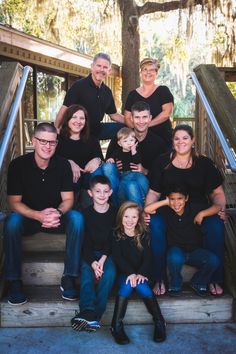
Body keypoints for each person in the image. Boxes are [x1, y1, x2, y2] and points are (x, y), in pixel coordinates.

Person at [3, 123, 84, 305]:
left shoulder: (63, 165)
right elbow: (14, 202)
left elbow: (68, 199)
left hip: (56, 217)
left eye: (52, 143)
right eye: (43, 141)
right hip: (29, 218)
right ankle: (14, 280)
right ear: (34, 141)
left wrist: (58, 211)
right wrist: (38, 215)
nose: (48, 146)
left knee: (77, 218)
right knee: (12, 222)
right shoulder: (18, 165)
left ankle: (69, 276)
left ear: (57, 143)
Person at [145, 124, 226, 296]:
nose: (180, 142)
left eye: (185, 138)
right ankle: (159, 277)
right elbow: (153, 192)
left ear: (193, 140)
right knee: (155, 225)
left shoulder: (204, 163)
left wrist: (220, 209)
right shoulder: (162, 162)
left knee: (216, 225)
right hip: (169, 207)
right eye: (176, 138)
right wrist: (147, 212)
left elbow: (217, 193)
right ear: (172, 141)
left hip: (199, 210)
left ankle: (214, 278)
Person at [145, 185, 220, 296]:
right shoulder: (166, 210)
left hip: (195, 251)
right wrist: (166, 202)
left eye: (179, 198)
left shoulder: (195, 208)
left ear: (186, 198)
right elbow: (147, 209)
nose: (176, 203)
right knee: (174, 257)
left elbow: (217, 206)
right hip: (176, 251)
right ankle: (175, 284)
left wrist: (202, 214)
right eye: (172, 199)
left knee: (213, 260)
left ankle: (198, 282)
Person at [111, 201, 166, 345]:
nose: (130, 221)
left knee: (142, 286)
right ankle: (116, 326)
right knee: (127, 286)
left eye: (134, 217)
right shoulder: (116, 234)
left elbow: (148, 257)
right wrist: (131, 273)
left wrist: (141, 273)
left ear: (139, 218)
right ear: (120, 217)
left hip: (141, 273)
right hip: (124, 273)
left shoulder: (144, 233)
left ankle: (159, 322)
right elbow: (118, 258)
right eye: (126, 216)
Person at [71, 175, 116, 332]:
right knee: (86, 273)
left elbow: (114, 240)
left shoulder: (116, 213)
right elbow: (86, 242)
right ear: (90, 193)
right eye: (98, 191)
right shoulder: (85, 214)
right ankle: (88, 310)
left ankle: (93, 315)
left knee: (109, 274)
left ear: (111, 192)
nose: (102, 195)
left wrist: (103, 259)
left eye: (105, 191)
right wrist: (92, 262)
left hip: (109, 254)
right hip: (90, 253)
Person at [103, 101, 166, 207]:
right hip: (121, 180)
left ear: (150, 118)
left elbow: (161, 173)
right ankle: (115, 204)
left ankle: (139, 214)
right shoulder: (121, 137)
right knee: (108, 167)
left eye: (144, 117)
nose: (141, 121)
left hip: (142, 184)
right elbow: (109, 159)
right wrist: (114, 163)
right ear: (131, 118)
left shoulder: (158, 143)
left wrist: (145, 170)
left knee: (132, 185)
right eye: (137, 117)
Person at [55, 52, 124, 140]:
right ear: (92, 66)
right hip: (78, 131)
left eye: (105, 67)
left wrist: (133, 122)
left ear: (109, 71)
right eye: (98, 66)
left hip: (96, 130)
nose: (101, 69)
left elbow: (113, 115)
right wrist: (56, 129)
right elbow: (64, 109)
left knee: (125, 128)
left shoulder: (107, 92)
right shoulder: (79, 86)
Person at [124, 57, 174, 147]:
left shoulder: (163, 90)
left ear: (156, 73)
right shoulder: (132, 94)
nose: (148, 72)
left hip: (163, 138)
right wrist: (138, 131)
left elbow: (167, 113)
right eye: (145, 69)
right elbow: (127, 118)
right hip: (139, 140)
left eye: (152, 70)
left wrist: (145, 126)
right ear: (141, 72)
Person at [55, 104, 104, 192]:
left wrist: (97, 160)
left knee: (98, 173)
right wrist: (69, 162)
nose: (78, 121)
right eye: (74, 117)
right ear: (67, 119)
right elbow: (52, 160)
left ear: (85, 121)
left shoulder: (92, 139)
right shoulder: (58, 139)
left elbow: (101, 159)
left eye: (82, 118)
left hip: (88, 178)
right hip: (68, 180)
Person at [106, 127, 149, 207]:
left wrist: (134, 151)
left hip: (135, 173)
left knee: (142, 178)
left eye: (131, 140)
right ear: (120, 143)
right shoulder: (117, 152)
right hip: (124, 175)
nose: (129, 143)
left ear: (135, 141)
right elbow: (112, 157)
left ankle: (146, 196)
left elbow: (137, 161)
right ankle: (120, 205)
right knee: (121, 191)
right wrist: (111, 159)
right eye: (125, 141)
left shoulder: (136, 151)